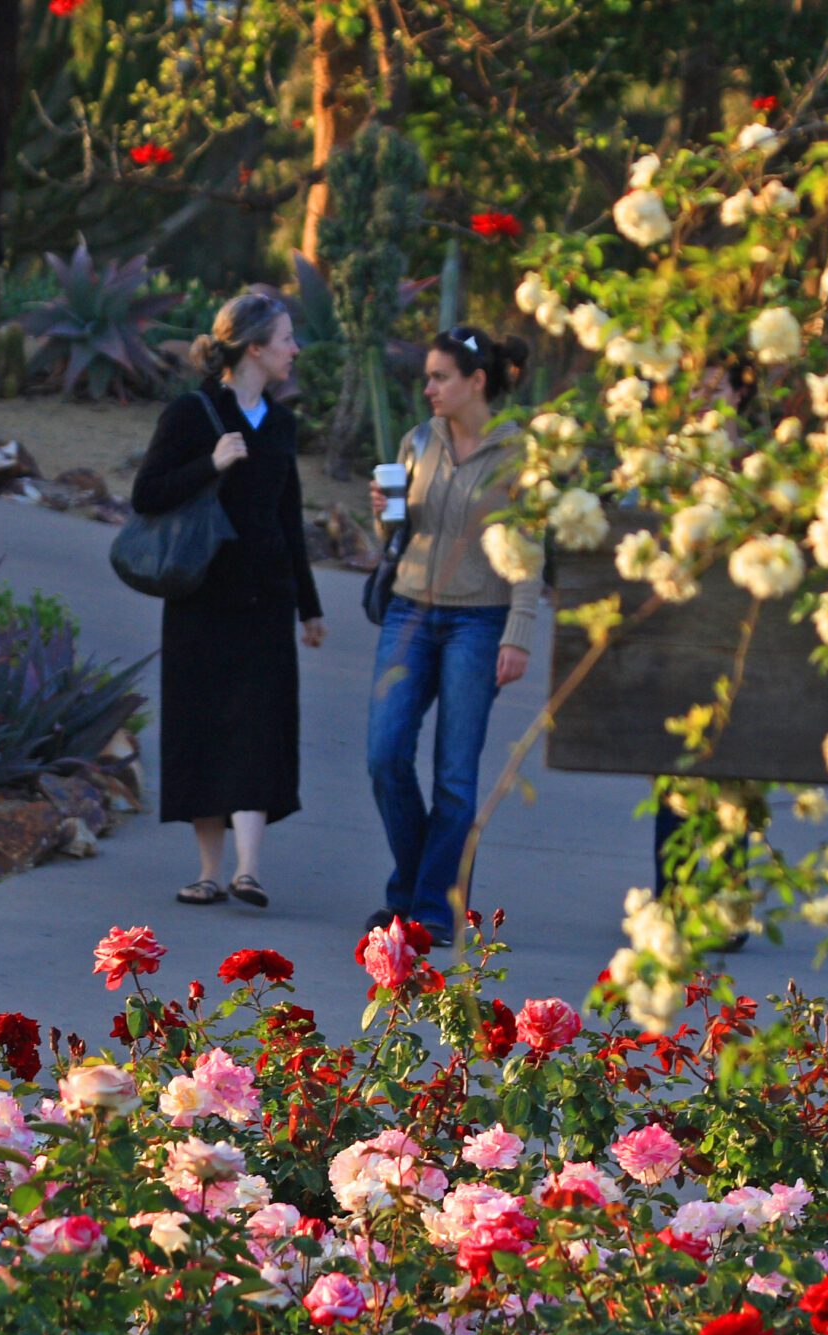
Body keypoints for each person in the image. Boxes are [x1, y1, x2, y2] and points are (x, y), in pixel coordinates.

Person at [130, 291, 326, 908]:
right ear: (254, 348)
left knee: (258, 730)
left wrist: (309, 605)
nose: (295, 350)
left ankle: (248, 870)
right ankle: (208, 871)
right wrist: (210, 465)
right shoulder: (192, 414)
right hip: (200, 600)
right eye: (287, 339)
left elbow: (289, 519)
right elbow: (147, 493)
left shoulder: (283, 424)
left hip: (264, 600)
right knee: (204, 728)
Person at [364, 325, 543, 947]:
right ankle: (418, 885)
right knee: (384, 755)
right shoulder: (419, 442)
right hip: (410, 611)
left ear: (477, 382)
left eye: (441, 377)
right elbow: (400, 533)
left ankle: (427, 909)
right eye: (428, 377)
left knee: (455, 776)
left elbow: (529, 547)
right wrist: (382, 509)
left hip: (480, 619)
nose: (429, 387)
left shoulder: (520, 457)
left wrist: (517, 633)